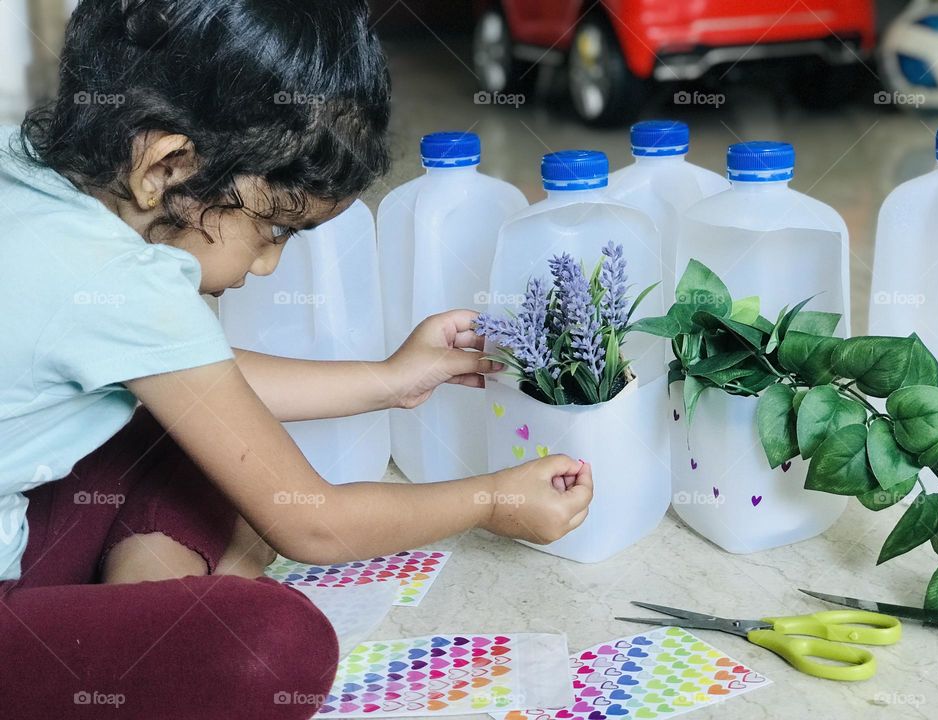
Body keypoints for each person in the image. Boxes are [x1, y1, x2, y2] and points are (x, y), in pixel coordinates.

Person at [0, 2, 593, 719]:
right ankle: (151, 602)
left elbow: (202, 381)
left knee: (178, 424)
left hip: (24, 522)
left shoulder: (26, 172)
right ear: (167, 163)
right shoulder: (121, 280)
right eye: (275, 228)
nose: (272, 262)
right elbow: (315, 527)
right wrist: (493, 500)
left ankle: (142, 600)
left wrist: (390, 380)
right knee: (273, 644)